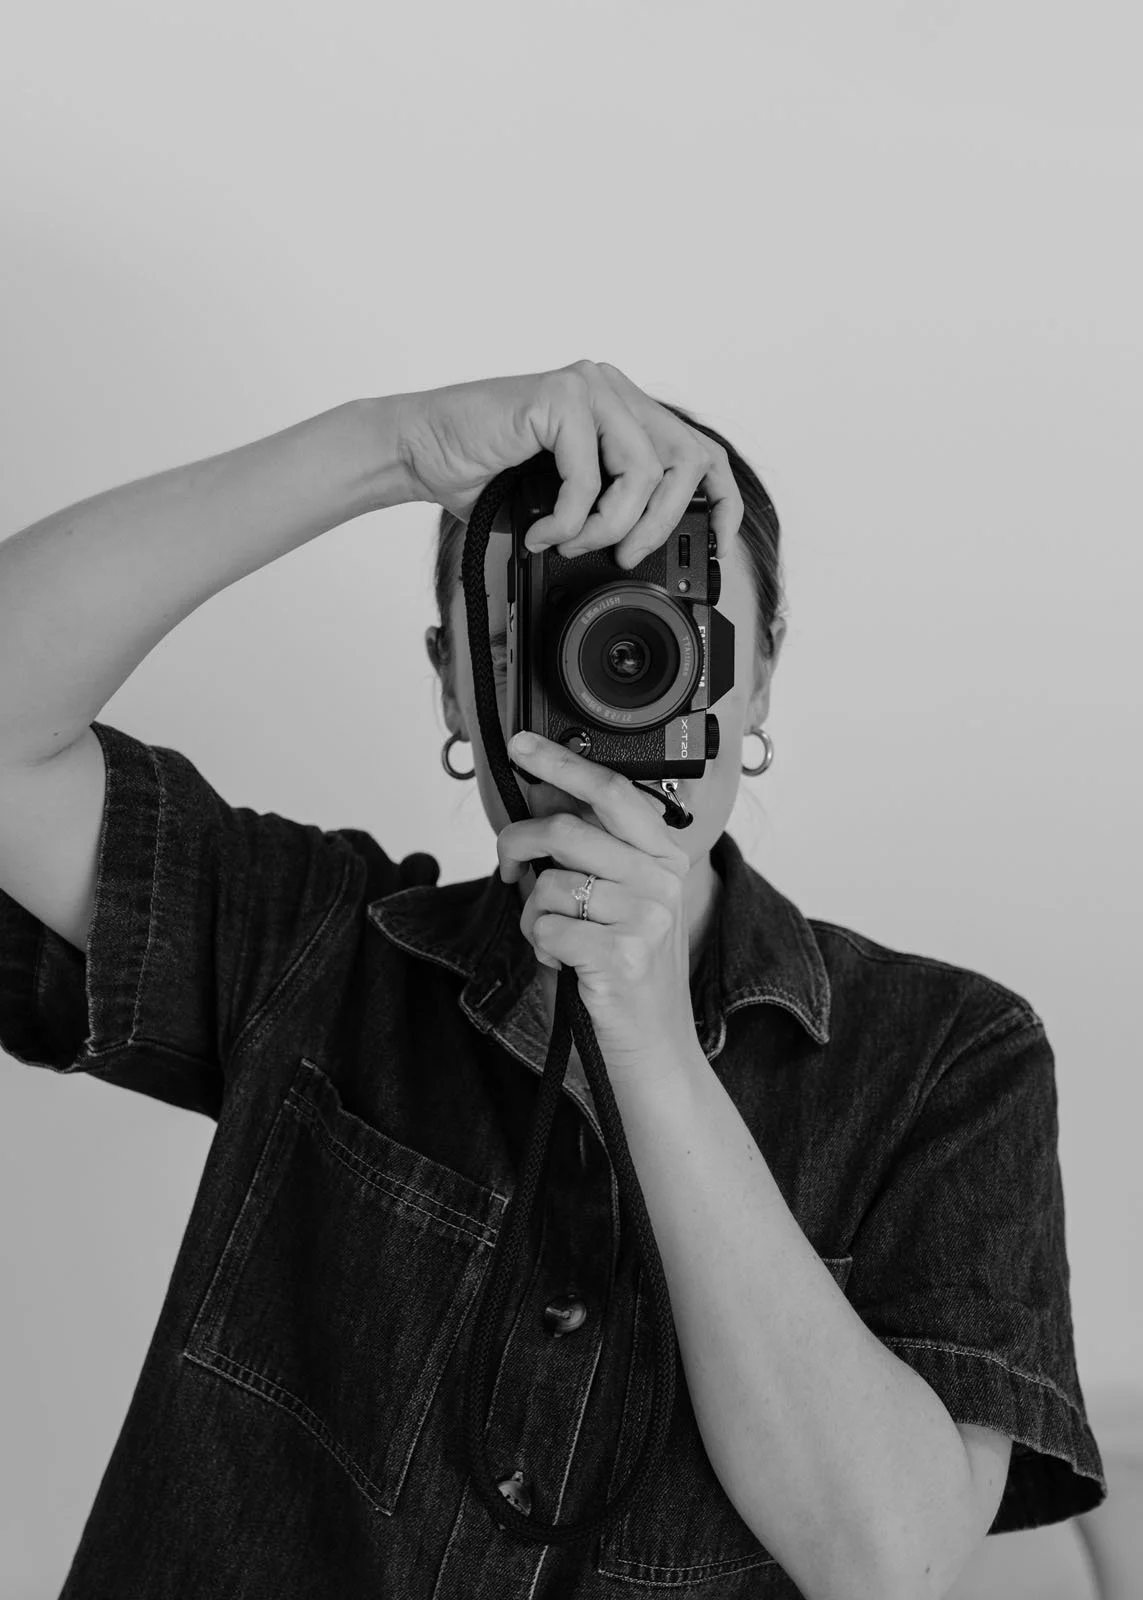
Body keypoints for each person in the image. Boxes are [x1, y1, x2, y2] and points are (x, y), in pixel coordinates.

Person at [0, 359, 1106, 1599]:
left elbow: (886, 1558)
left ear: (760, 672)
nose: (604, 661)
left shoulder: (951, 1059)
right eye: (548, 618)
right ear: (454, 675)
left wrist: (649, 1043)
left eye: (658, 626)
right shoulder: (319, 945)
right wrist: (394, 448)